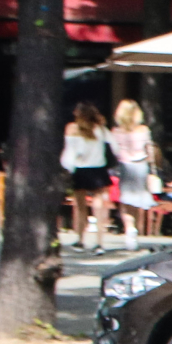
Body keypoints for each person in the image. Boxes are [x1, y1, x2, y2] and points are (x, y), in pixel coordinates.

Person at [61, 102, 111, 250]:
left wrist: (67, 166)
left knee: (80, 206)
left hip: (81, 169)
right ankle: (100, 242)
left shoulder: (72, 129)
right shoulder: (100, 129)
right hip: (98, 169)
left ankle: (80, 239)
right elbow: (113, 145)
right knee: (99, 206)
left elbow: (70, 151)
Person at [108, 100, 155, 250]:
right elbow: (150, 150)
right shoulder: (143, 130)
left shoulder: (116, 131)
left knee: (125, 199)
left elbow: (115, 151)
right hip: (141, 165)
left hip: (125, 165)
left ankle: (129, 228)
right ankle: (134, 226)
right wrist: (153, 168)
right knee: (137, 198)